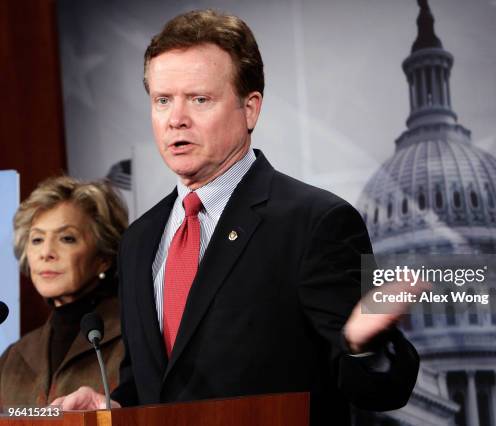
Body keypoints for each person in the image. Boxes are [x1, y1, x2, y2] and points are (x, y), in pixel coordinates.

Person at [55, 10, 419, 424]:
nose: (176, 118)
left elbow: (386, 390)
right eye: (162, 100)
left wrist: (363, 346)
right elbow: (148, 384)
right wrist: (114, 409)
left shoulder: (317, 223)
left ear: (250, 109)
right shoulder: (139, 240)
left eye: (199, 99)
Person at [0, 177, 128, 406]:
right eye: (37, 239)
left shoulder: (134, 336)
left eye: (67, 238)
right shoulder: (14, 356)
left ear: (103, 258)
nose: (46, 252)